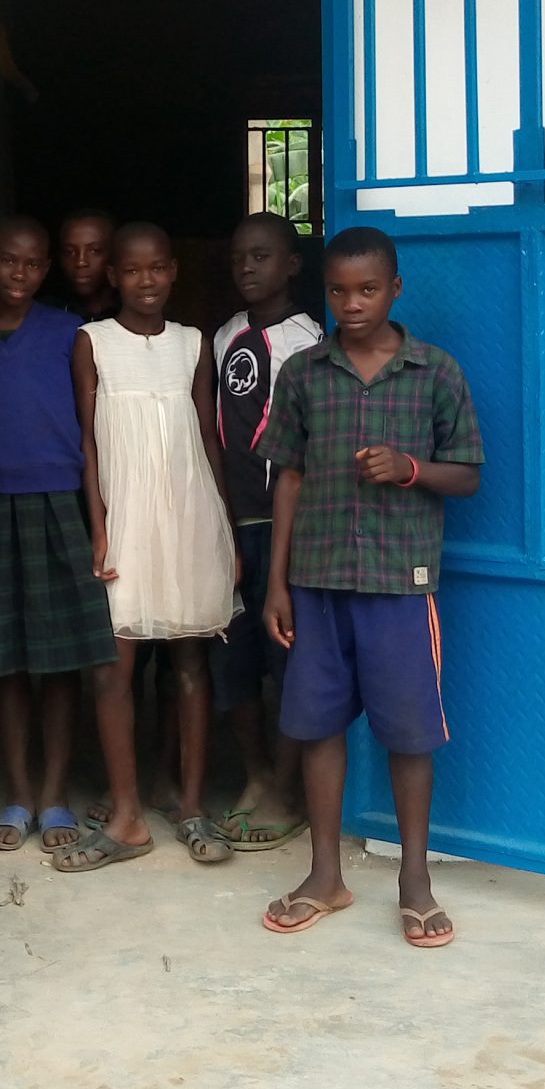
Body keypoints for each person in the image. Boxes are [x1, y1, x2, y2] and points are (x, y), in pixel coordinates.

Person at [257, 225, 484, 948]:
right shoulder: (304, 374)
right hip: (318, 581)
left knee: (409, 734)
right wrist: (277, 583)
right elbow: (287, 477)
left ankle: (414, 882)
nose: (351, 305)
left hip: (398, 582)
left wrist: (410, 468)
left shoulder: (435, 372)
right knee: (319, 726)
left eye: (366, 290)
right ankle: (326, 875)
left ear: (394, 290)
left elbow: (470, 474)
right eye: (338, 291)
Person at [55, 222, 239, 872]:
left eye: (158, 268)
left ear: (174, 271)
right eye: (133, 271)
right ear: (114, 278)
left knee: (191, 665)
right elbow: (87, 442)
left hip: (186, 512)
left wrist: (221, 523)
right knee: (114, 669)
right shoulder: (91, 343)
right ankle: (128, 814)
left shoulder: (194, 344)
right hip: (125, 518)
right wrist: (99, 524)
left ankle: (190, 804)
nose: (147, 281)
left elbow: (208, 438)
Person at [0, 215, 111, 853]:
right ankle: (17, 795)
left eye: (34, 263)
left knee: (61, 664)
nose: (21, 273)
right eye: (10, 261)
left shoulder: (70, 333)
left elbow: (93, 430)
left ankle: (56, 796)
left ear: (48, 271)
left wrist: (99, 521)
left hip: (58, 504)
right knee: (6, 664)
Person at [210, 213, 321, 850]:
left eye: (261, 256)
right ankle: (256, 775)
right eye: (238, 258)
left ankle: (288, 790)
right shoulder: (226, 335)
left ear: (292, 266)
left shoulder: (306, 341)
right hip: (233, 521)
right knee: (234, 659)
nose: (247, 267)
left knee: (289, 664)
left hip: (286, 529)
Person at [56, 209, 119, 322]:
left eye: (94, 251)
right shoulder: (47, 314)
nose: (81, 262)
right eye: (70, 251)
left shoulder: (134, 314)